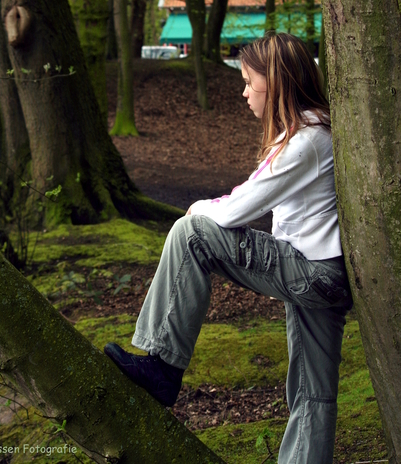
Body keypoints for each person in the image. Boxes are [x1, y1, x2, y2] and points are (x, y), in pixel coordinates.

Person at [104, 33, 352, 464]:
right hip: (326, 276)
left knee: (191, 233)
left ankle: (162, 365)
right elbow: (248, 196)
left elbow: (238, 208)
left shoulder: (306, 140)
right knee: (313, 393)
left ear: (276, 83)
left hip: (312, 272)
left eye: (249, 82)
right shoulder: (312, 133)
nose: (243, 92)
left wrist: (193, 208)